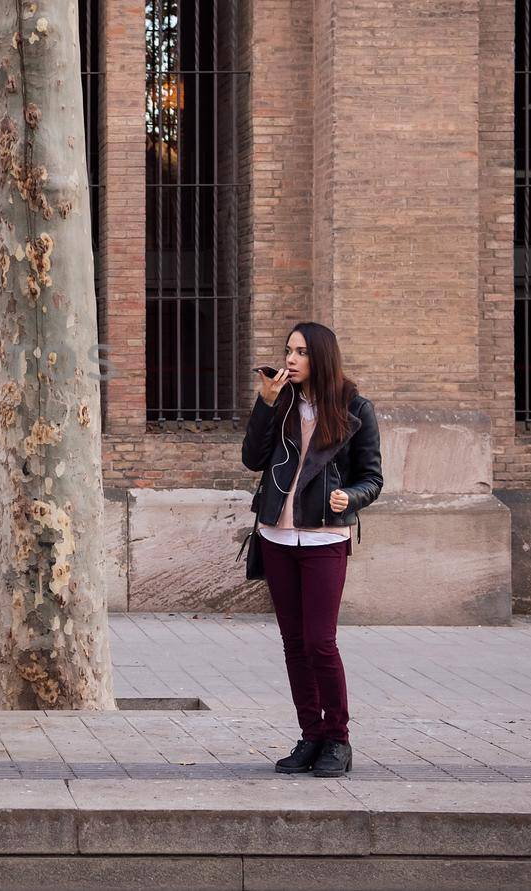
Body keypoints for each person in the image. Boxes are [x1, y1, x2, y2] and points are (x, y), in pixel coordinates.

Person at [241, 321, 382, 778]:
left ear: (320, 357)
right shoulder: (280, 403)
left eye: (300, 352)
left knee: (321, 643)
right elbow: (252, 459)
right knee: (294, 644)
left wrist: (351, 498)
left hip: (324, 538)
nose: (290, 359)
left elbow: (372, 477)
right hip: (277, 538)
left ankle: (338, 740)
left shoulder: (355, 408)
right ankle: (310, 735)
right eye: (288, 350)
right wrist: (264, 405)